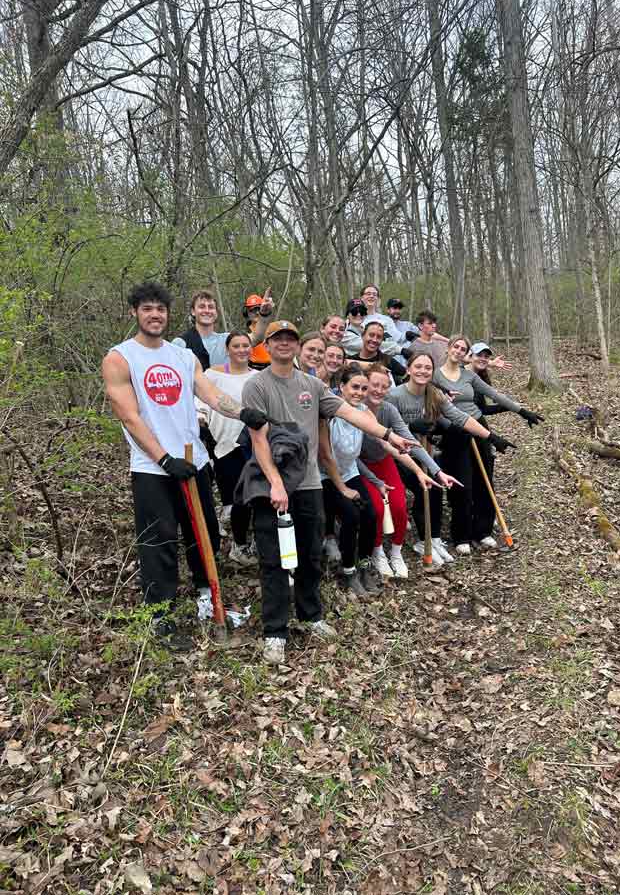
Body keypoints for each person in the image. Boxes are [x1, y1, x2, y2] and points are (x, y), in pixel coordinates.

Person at [101, 282, 267, 649]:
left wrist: (244, 412)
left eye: (160, 308)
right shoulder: (120, 358)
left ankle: (207, 596)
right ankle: (159, 615)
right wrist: (163, 458)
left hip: (195, 461)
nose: (155, 314)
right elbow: (129, 416)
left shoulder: (182, 357)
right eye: (147, 309)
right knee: (158, 539)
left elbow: (209, 394)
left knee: (204, 530)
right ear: (135, 313)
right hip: (152, 467)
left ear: (168, 313)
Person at [241, 320, 417, 666]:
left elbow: (351, 412)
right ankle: (275, 631)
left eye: (290, 339)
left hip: (308, 485)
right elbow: (257, 438)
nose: (284, 344)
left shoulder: (313, 386)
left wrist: (388, 435)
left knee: (311, 555)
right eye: (278, 338)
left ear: (296, 345)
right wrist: (275, 482)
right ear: (270, 344)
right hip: (269, 485)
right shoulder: (256, 386)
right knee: (274, 560)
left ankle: (311, 615)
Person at [385, 352, 515, 563]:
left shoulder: (434, 394)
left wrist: (492, 437)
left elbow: (460, 417)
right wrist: (409, 427)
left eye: (427, 368)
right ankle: (423, 540)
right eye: (418, 366)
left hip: (424, 452)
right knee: (423, 488)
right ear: (408, 369)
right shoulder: (395, 395)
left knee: (436, 487)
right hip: (398, 456)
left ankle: (433, 538)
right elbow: (384, 430)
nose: (423, 371)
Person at [433, 336, 542, 554]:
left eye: (463, 349)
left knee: (485, 479)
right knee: (462, 483)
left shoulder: (468, 375)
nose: (458, 351)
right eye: (456, 346)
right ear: (448, 348)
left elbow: (494, 394)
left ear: (466, 354)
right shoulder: (435, 375)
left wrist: (521, 411)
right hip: (454, 431)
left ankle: (482, 531)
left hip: (479, 428)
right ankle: (461, 535)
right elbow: (432, 407)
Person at [361, 364, 457, 577]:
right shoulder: (355, 410)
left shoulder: (389, 409)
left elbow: (409, 442)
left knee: (399, 507)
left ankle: (396, 552)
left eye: (384, 386)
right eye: (373, 385)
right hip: (361, 465)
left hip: (385, 461)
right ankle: (378, 552)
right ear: (365, 385)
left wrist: (435, 471)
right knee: (377, 509)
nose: (378, 390)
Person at [320, 365, 388, 596]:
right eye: (354, 387)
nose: (359, 392)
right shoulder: (329, 414)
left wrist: (405, 449)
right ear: (341, 387)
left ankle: (364, 565)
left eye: (363, 388)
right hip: (325, 475)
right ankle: (348, 571)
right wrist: (342, 488)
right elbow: (326, 456)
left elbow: (384, 439)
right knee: (351, 515)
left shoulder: (364, 412)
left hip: (349, 471)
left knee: (371, 514)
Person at [195, 331, 259, 567]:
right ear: (227, 349)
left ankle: (251, 543)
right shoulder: (212, 375)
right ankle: (238, 546)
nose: (242, 350)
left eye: (246, 345)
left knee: (255, 496)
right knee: (237, 499)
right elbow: (201, 401)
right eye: (236, 346)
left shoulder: (259, 377)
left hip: (253, 444)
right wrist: (200, 418)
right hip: (225, 444)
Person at [172, 287, 274, 369]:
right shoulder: (181, 343)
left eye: (211, 307)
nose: (207, 310)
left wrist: (264, 314)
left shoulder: (227, 339)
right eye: (202, 306)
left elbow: (257, 337)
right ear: (193, 311)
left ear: (216, 312)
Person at [244, 289, 275, 369]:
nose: (257, 312)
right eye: (253, 310)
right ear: (247, 312)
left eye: (258, 308)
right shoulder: (244, 333)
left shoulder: (273, 328)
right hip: (251, 367)